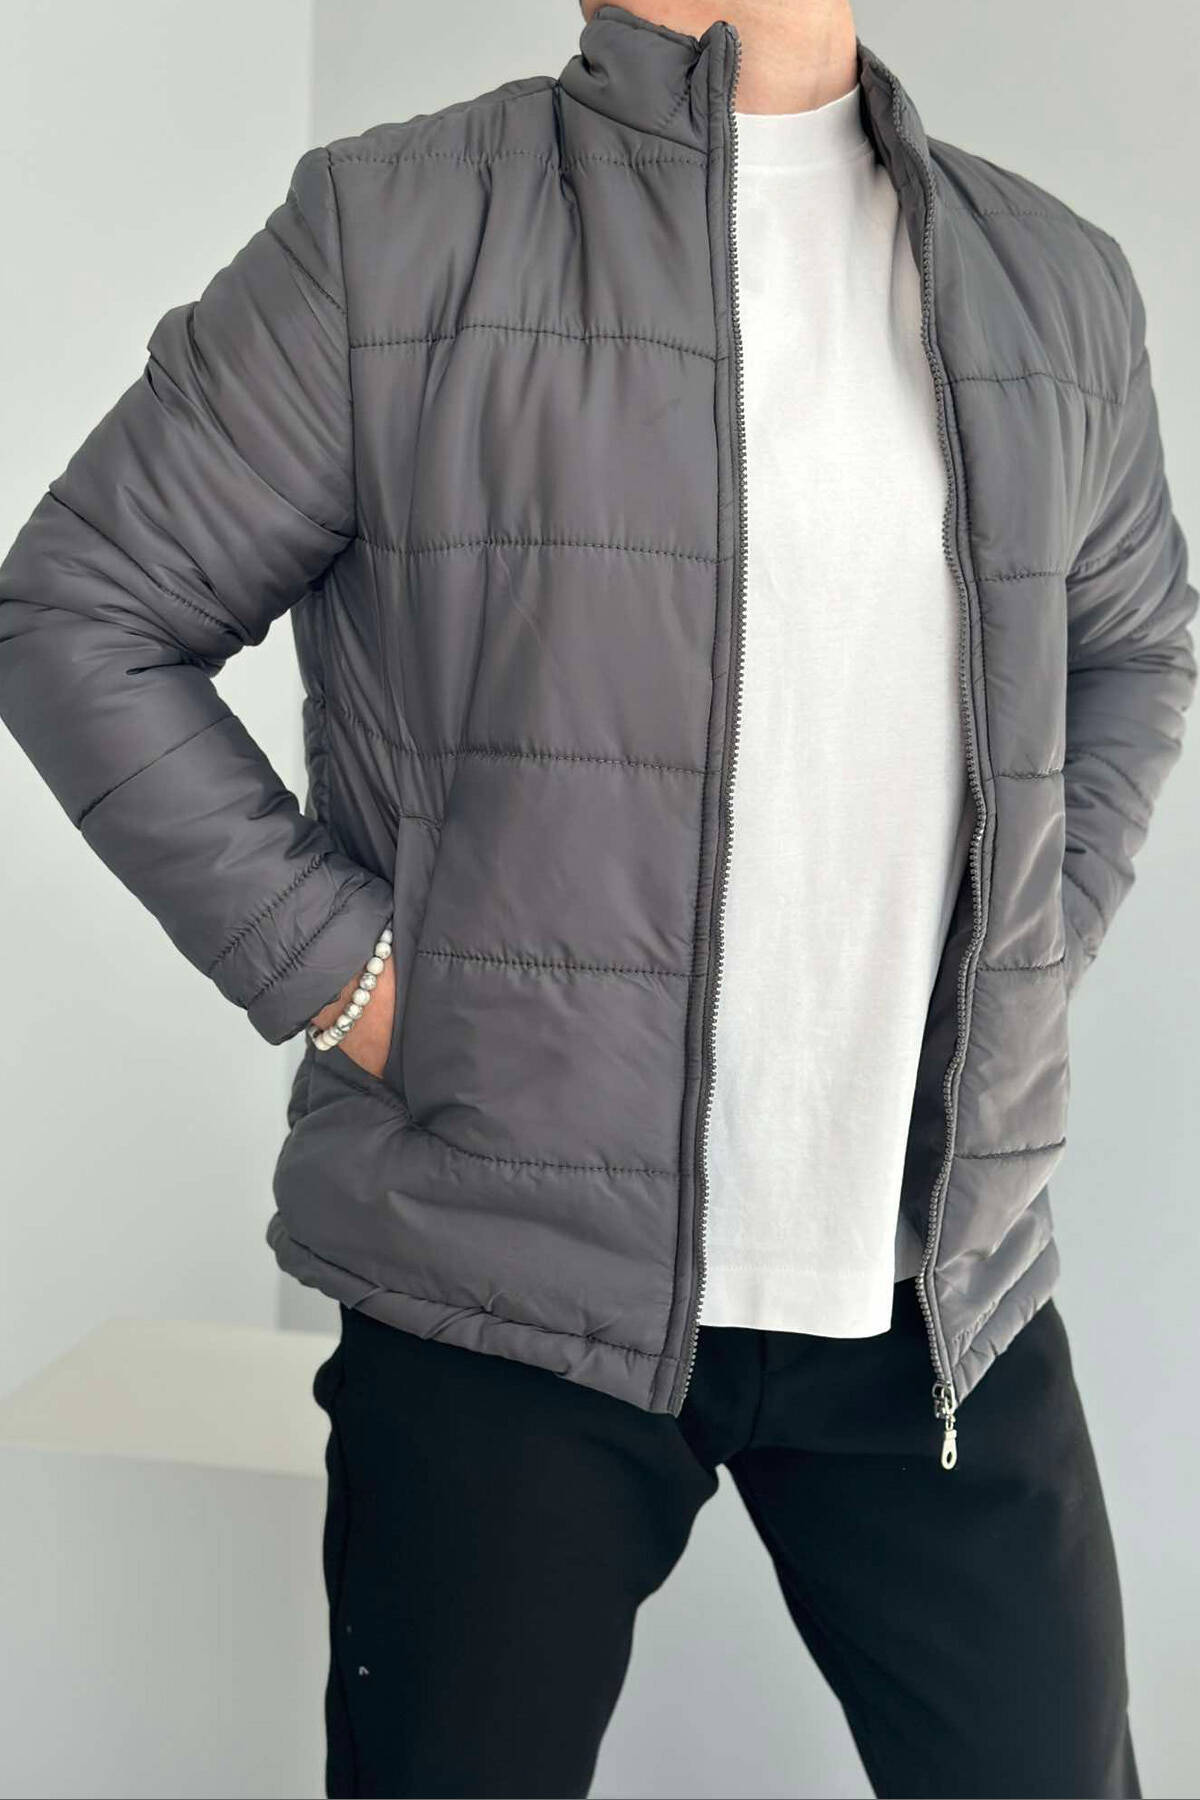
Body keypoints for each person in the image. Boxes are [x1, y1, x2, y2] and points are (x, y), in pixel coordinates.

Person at [0, 0, 1194, 1793]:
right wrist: (352, 979)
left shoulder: (1057, 283)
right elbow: (81, 613)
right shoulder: (395, 232)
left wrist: (1033, 942)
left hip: (937, 1297)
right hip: (504, 1284)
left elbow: (1134, 654)